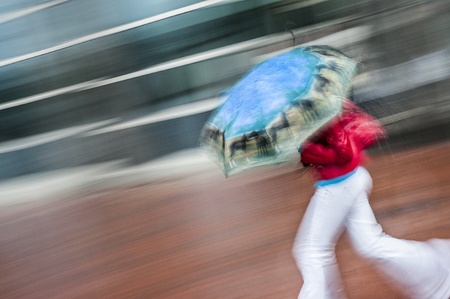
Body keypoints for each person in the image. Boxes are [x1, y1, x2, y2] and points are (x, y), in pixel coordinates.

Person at [292, 99, 450, 299]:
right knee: (369, 244)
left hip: (339, 185)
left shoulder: (318, 105)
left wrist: (306, 150)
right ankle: (438, 265)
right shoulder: (318, 99)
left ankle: (437, 266)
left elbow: (343, 150)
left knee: (310, 251)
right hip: (350, 179)